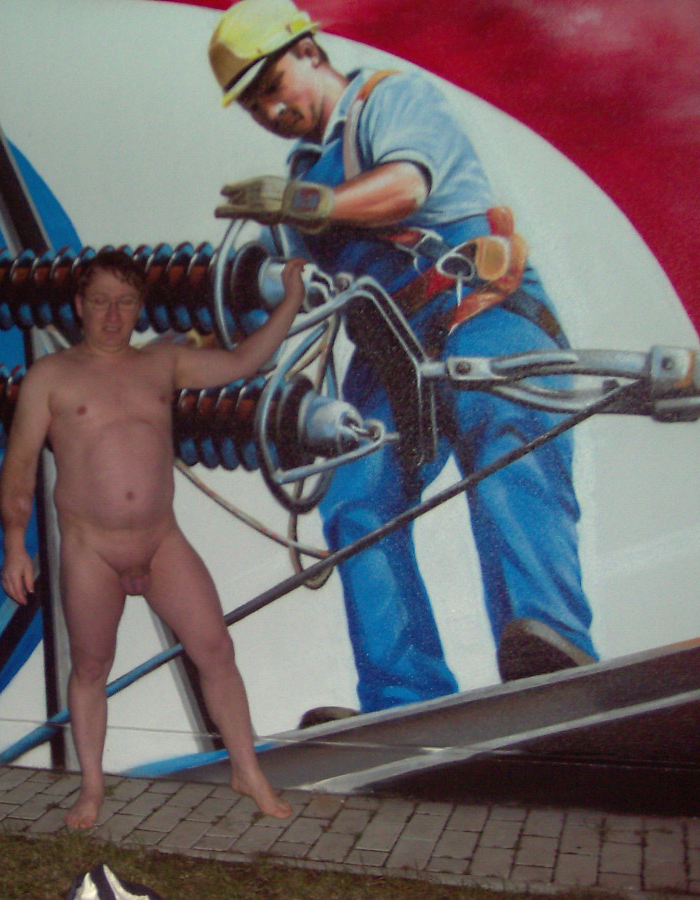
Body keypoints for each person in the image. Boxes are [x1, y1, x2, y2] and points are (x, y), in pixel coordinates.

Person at [208, 0, 598, 716]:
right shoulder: (305, 171)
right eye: (253, 102)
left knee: (507, 439)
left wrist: (302, 201)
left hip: (483, 307)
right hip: (392, 348)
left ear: (310, 52)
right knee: (357, 493)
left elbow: (405, 188)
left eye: (273, 85)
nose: (269, 110)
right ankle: (402, 695)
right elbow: (274, 297)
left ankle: (552, 649)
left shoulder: (391, 101)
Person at [0, 248, 303, 828]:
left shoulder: (163, 362)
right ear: (79, 306)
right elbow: (19, 464)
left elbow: (245, 360)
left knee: (216, 650)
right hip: (91, 550)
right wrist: (16, 544)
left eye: (125, 302)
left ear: (140, 307)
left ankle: (248, 771)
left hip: (162, 542)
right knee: (91, 668)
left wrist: (290, 300)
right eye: (100, 302)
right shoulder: (50, 377)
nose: (112, 315)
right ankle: (91, 787)